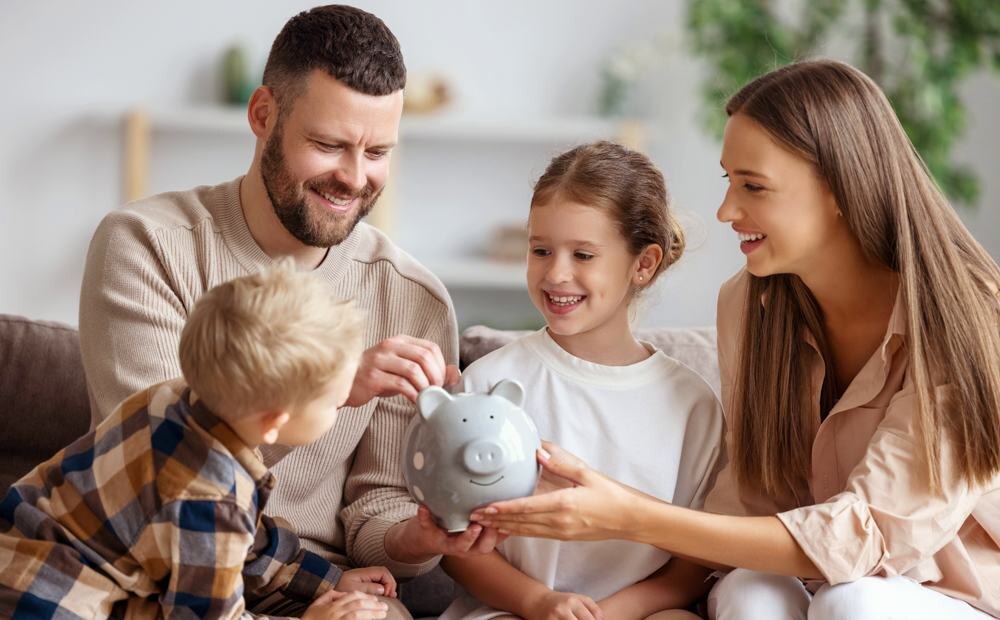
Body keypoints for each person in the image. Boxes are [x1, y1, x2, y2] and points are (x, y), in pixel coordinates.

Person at [468, 60, 1000, 619]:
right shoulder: (752, 304)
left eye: (753, 186)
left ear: (840, 187)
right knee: (750, 592)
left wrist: (624, 514)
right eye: (729, 181)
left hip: (945, 597)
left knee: (855, 603)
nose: (725, 211)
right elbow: (749, 504)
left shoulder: (966, 313)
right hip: (817, 585)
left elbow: (864, 536)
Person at [78, 5, 501, 617]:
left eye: (378, 151)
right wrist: (327, 385)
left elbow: (374, 512)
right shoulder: (146, 245)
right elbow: (157, 465)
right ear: (262, 115)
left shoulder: (412, 296)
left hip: (317, 586)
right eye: (329, 145)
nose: (355, 179)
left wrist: (421, 535)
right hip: (160, 575)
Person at [0, 264, 399, 618]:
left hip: (31, 555)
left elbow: (247, 543)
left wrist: (328, 582)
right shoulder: (206, 501)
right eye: (334, 401)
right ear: (275, 422)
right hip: (50, 603)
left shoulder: (175, 398)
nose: (343, 405)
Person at [440, 142, 724, 620]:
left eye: (584, 255)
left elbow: (690, 563)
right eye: (541, 250)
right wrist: (540, 602)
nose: (557, 273)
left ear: (644, 264)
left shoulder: (691, 404)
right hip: (509, 610)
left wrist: (609, 613)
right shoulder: (492, 381)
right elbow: (455, 544)